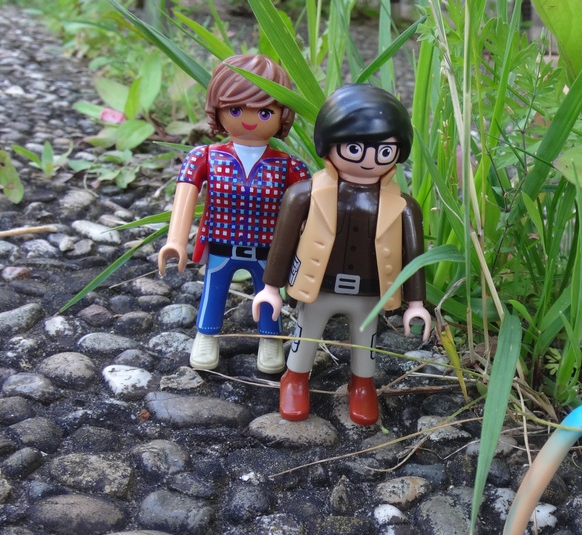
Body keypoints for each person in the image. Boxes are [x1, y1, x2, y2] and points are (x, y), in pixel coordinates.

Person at [252, 84, 431, 425]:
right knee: (306, 333)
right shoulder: (304, 194)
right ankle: (295, 378)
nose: (368, 160)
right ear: (329, 144)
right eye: (354, 149)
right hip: (319, 285)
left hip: (370, 292)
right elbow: (283, 242)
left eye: (383, 150)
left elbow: (414, 256)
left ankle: (362, 385)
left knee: (366, 342)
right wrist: (270, 288)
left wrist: (416, 303)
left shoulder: (403, 206)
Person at [158, 54, 310, 373]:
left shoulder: (288, 165)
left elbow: (307, 207)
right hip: (221, 244)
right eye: (236, 110)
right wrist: (175, 241)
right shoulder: (205, 156)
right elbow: (185, 193)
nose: (250, 120)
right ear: (218, 110)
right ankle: (206, 335)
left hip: (268, 249)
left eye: (265, 112)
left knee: (269, 293)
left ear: (282, 115)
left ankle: (270, 339)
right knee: (213, 291)